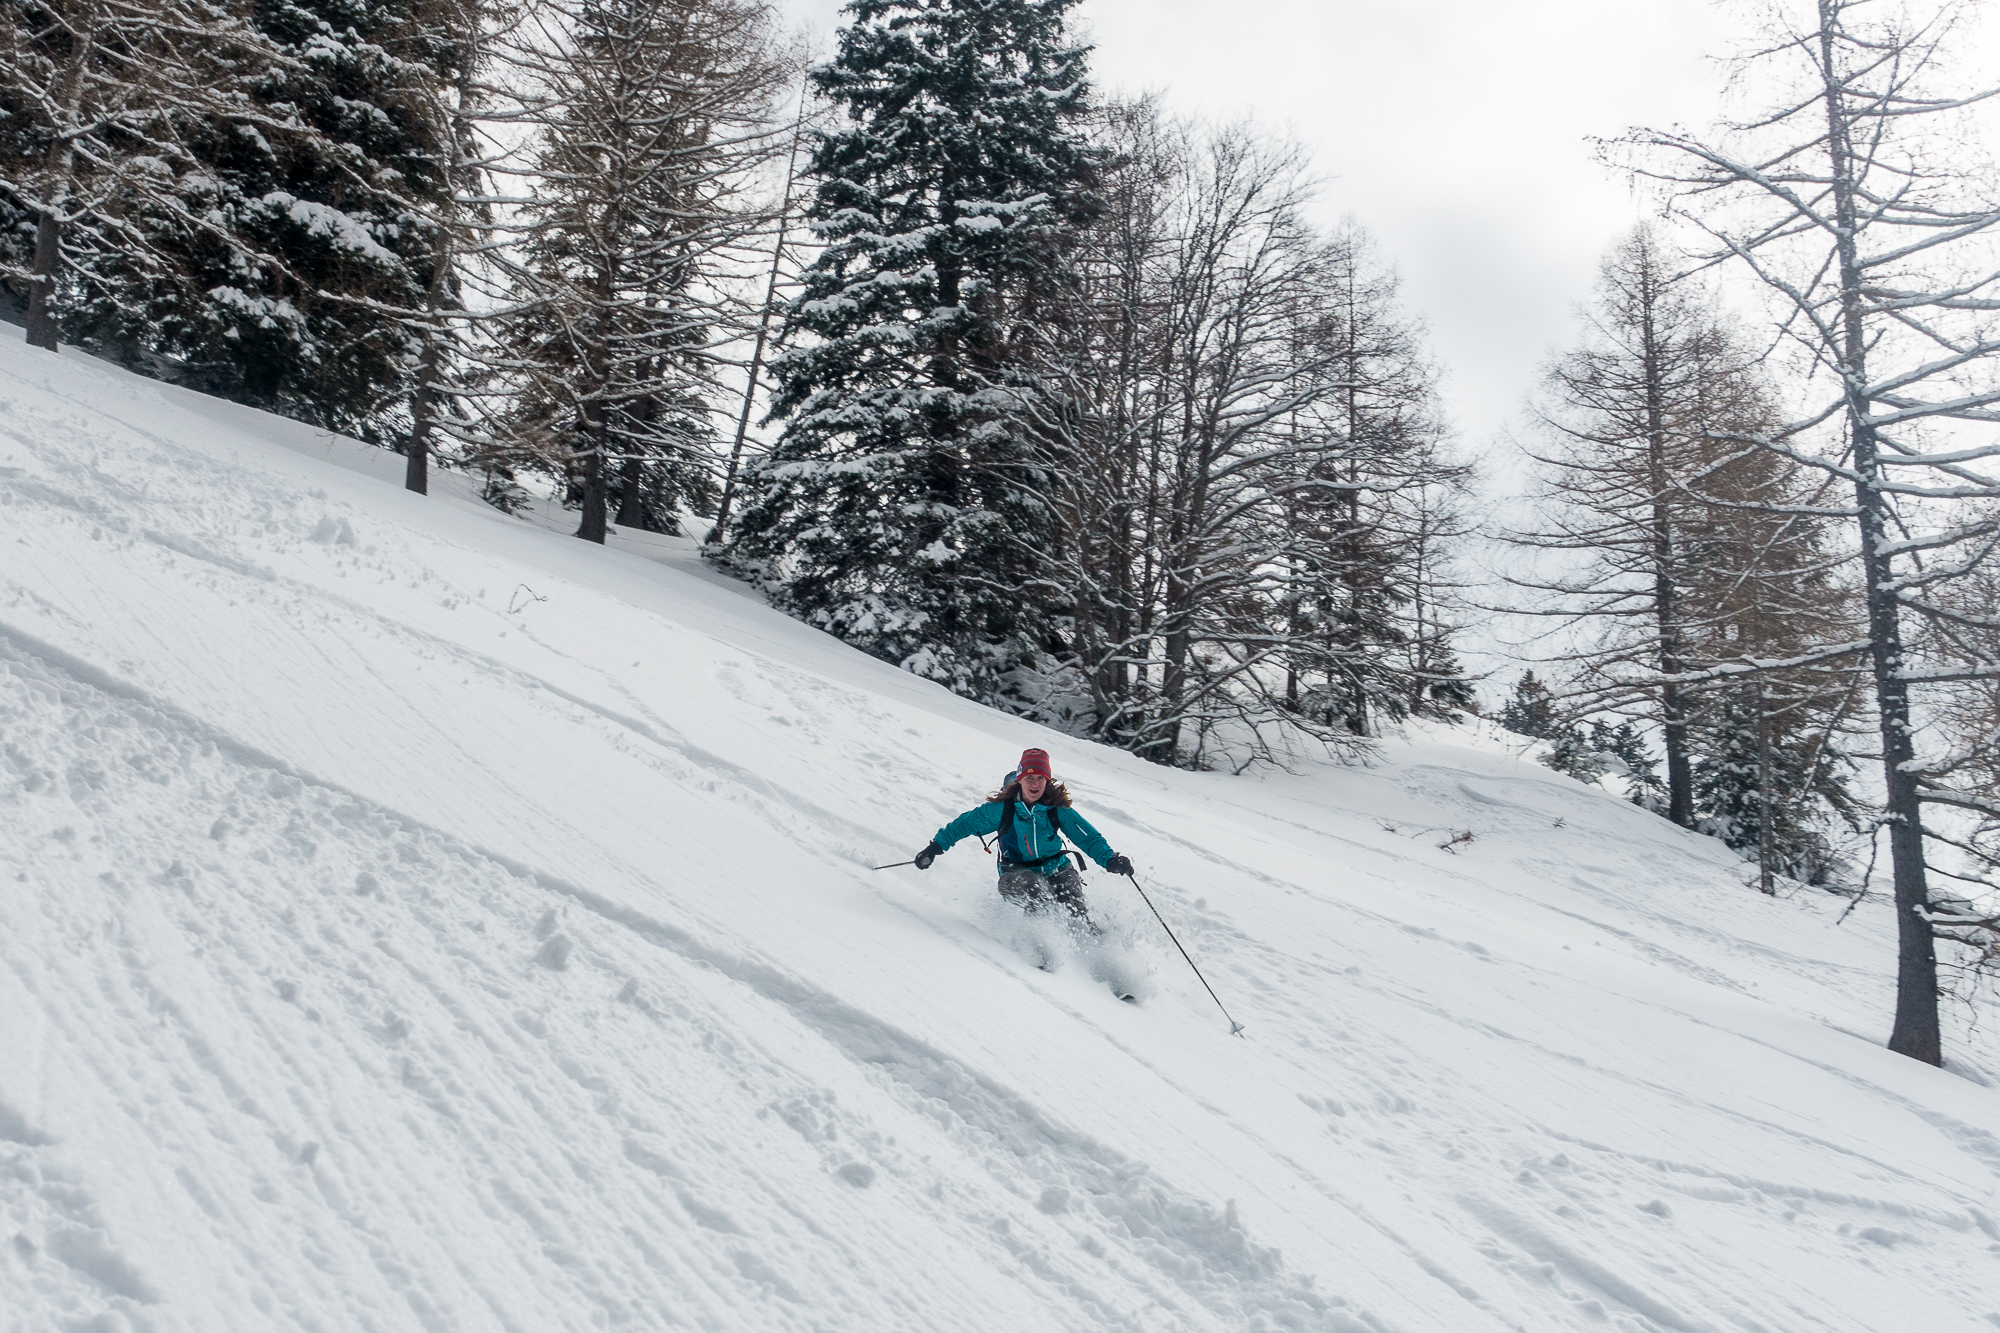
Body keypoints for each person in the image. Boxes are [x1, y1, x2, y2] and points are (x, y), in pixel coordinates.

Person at [912, 748, 1134, 923]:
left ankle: (1095, 944)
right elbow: (964, 825)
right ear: (1020, 780)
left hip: (1057, 867)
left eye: (1040, 778)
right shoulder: (1002, 809)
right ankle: (1038, 946)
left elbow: (1088, 837)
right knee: (1035, 891)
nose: (1035, 784)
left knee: (1074, 905)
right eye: (1029, 778)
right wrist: (934, 848)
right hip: (1015, 872)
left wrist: (1109, 859)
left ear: (1047, 781)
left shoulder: (1057, 809)